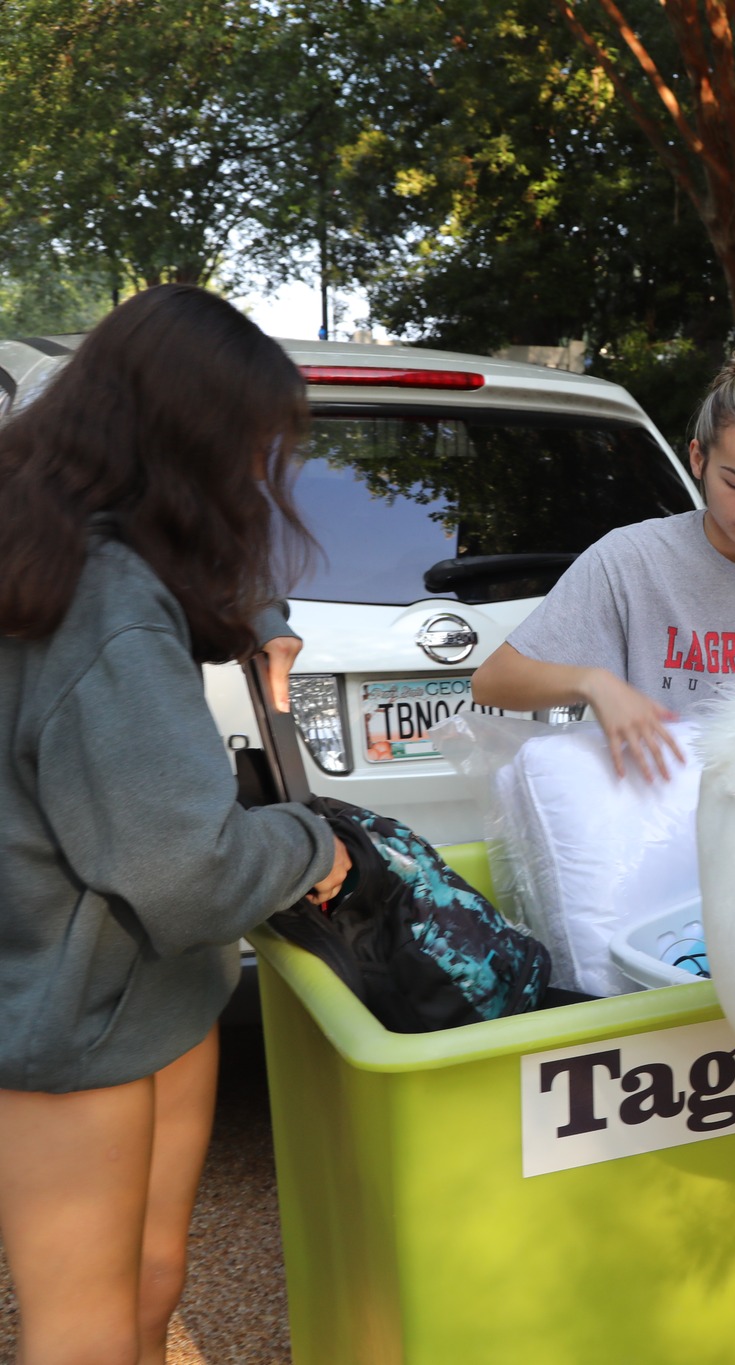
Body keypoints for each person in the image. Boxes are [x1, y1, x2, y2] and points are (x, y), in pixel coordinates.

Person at [0, 284, 352, 1365]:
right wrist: (312, 844)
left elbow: (218, 585)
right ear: (184, 444)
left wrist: (270, 629)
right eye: (247, 454)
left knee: (154, 1280)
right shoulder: (102, 605)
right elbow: (183, 869)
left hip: (152, 988)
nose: (255, 481)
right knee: (87, 1331)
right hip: (74, 1018)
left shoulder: (66, 532)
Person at [471, 345, 735, 779]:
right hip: (658, 823)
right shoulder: (630, 559)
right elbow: (492, 680)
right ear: (698, 459)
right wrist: (594, 684)